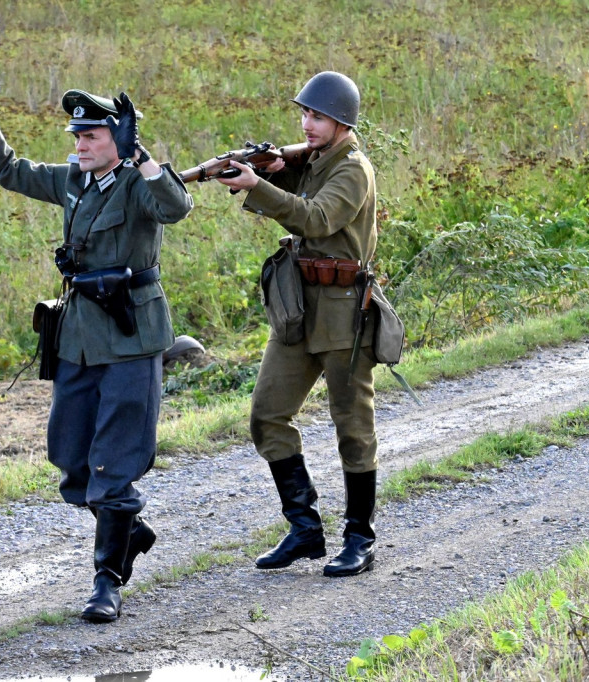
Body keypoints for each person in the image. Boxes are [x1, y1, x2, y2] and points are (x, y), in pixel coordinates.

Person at [0, 54, 193, 620]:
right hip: (78, 339)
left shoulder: (139, 185)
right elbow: (9, 171)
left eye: (92, 134)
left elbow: (176, 207)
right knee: (70, 459)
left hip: (132, 338)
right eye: (78, 134)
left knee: (114, 465)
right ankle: (129, 532)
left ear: (117, 138)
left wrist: (142, 158)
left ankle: (106, 582)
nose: (82, 143)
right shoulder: (72, 180)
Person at [215, 71, 380, 577]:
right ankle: (305, 528)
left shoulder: (353, 170)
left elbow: (315, 219)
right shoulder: (311, 159)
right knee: (267, 414)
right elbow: (295, 189)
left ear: (341, 123)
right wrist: (266, 167)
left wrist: (258, 185)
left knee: (352, 423)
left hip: (343, 310)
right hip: (297, 307)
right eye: (305, 114)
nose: (307, 123)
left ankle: (359, 537)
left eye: (318, 116)